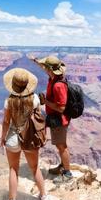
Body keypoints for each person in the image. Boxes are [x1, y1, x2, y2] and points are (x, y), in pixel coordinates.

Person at [0, 68, 49, 200]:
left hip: (13, 138)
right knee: (34, 168)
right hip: (30, 138)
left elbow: (6, 122)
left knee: (13, 169)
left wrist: (3, 138)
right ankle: (44, 196)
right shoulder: (34, 99)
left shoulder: (9, 101)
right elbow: (38, 115)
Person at [32, 55, 73, 183]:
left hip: (60, 120)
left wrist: (46, 102)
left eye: (46, 67)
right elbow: (45, 68)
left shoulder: (58, 86)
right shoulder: (53, 77)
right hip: (56, 118)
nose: (44, 69)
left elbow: (61, 108)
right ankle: (62, 166)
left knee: (62, 146)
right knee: (59, 145)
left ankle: (67, 173)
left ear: (50, 69)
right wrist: (36, 61)